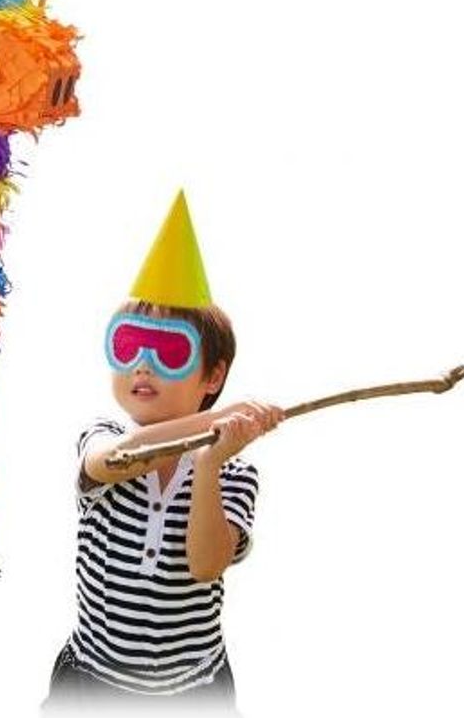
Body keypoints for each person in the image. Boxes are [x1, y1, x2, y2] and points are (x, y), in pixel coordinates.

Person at [43, 191, 285, 714]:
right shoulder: (102, 434)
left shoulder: (235, 471)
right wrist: (218, 420)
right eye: (128, 345)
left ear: (212, 376)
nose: (143, 365)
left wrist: (209, 463)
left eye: (171, 350)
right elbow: (117, 459)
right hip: (91, 682)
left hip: (194, 690)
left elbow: (206, 564)